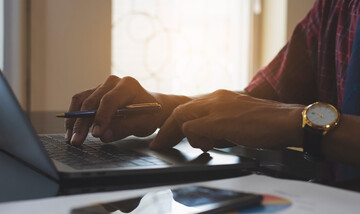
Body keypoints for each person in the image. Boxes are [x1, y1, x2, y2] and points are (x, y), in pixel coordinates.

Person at [65, 0, 360, 168]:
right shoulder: (335, 8)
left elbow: (274, 115)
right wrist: (166, 106)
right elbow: (255, 106)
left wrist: (295, 123)